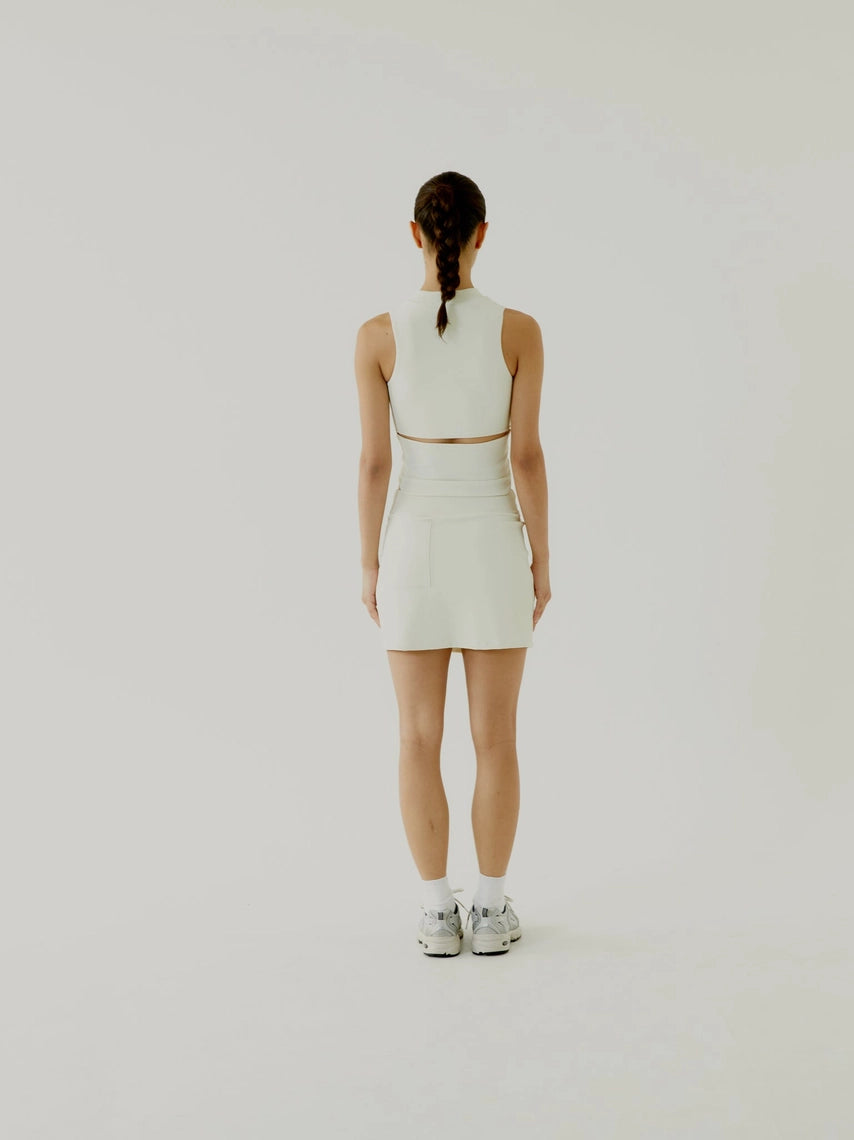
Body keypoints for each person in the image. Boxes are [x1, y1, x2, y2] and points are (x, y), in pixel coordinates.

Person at [354, 171, 551, 956]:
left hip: (413, 544)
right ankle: (493, 910)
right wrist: (541, 558)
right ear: (481, 233)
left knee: (416, 737)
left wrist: (369, 564)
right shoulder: (520, 331)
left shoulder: (375, 334)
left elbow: (374, 465)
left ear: (415, 233)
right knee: (495, 737)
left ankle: (439, 912)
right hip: (494, 538)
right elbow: (528, 458)